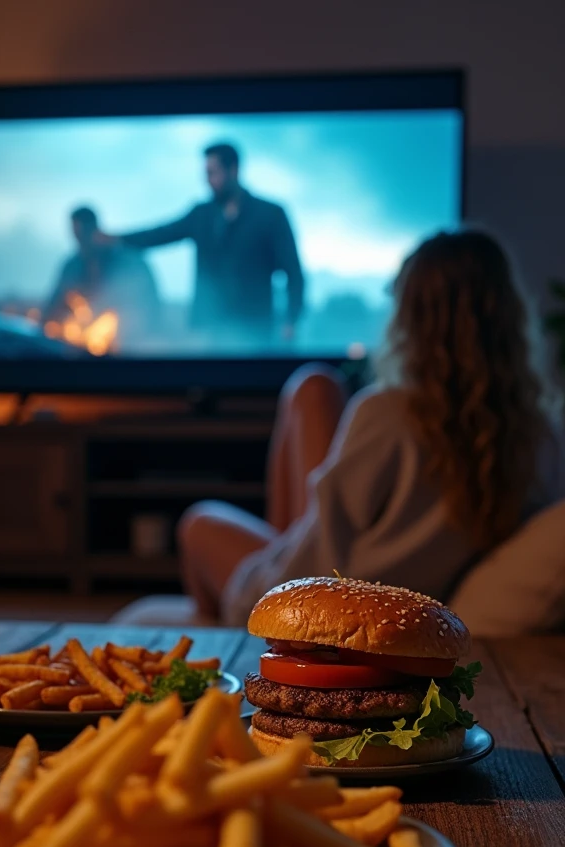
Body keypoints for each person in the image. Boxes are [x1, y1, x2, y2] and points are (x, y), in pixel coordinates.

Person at [178, 229, 564, 623]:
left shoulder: (387, 415)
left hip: (322, 608)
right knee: (314, 388)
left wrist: (272, 590)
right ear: (510, 317)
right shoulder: (541, 437)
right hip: (409, 604)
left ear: (410, 318)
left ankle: (221, 645)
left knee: (198, 524)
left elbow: (316, 555)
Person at [113, 143, 304, 344]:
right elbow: (161, 234)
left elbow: (293, 272)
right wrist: (118, 239)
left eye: (213, 173)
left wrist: (291, 319)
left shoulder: (269, 215)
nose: (208, 180)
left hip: (255, 330)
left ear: (233, 170)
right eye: (206, 173)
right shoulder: (202, 215)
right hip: (210, 331)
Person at [43, 206, 160, 338]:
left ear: (95, 229)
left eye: (84, 232)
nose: (81, 239)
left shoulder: (126, 262)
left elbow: (145, 305)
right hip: (82, 339)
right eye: (77, 233)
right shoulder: (72, 267)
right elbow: (54, 303)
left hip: (126, 338)